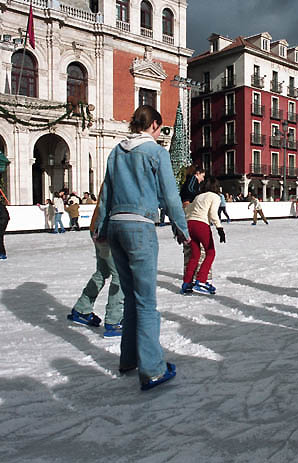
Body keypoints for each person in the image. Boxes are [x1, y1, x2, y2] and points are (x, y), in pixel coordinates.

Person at [93, 105, 189, 391]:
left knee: (131, 296)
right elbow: (171, 196)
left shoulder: (116, 151)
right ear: (155, 125)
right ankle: (153, 369)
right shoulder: (156, 152)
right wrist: (181, 227)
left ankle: (129, 359)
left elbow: (107, 190)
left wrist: (100, 226)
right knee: (146, 300)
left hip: (115, 225)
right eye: (160, 128)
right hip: (139, 226)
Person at [68, 185, 126, 337]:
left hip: (97, 228)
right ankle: (114, 319)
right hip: (107, 231)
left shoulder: (114, 173)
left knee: (103, 271)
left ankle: (82, 309)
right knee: (120, 274)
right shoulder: (121, 176)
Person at [181, 177, 226, 295]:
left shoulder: (198, 196)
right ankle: (201, 280)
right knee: (210, 252)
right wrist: (219, 228)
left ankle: (186, 283)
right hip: (201, 225)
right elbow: (212, 214)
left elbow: (188, 209)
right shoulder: (215, 197)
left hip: (190, 224)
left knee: (195, 255)